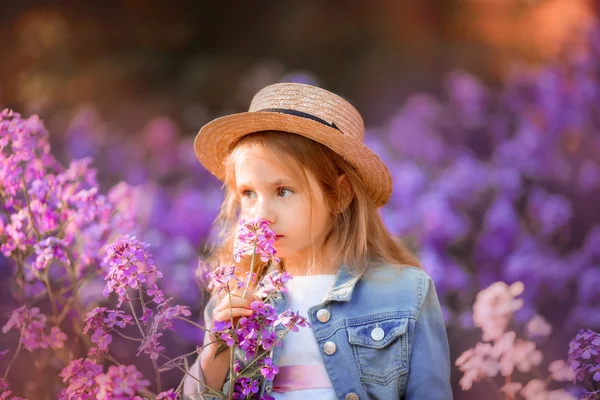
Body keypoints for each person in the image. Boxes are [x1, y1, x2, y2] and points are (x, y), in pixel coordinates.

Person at [183, 82, 452, 399]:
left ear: (339, 195)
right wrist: (218, 347)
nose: (262, 214)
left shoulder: (406, 293)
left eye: (283, 191)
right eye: (248, 194)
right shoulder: (235, 298)